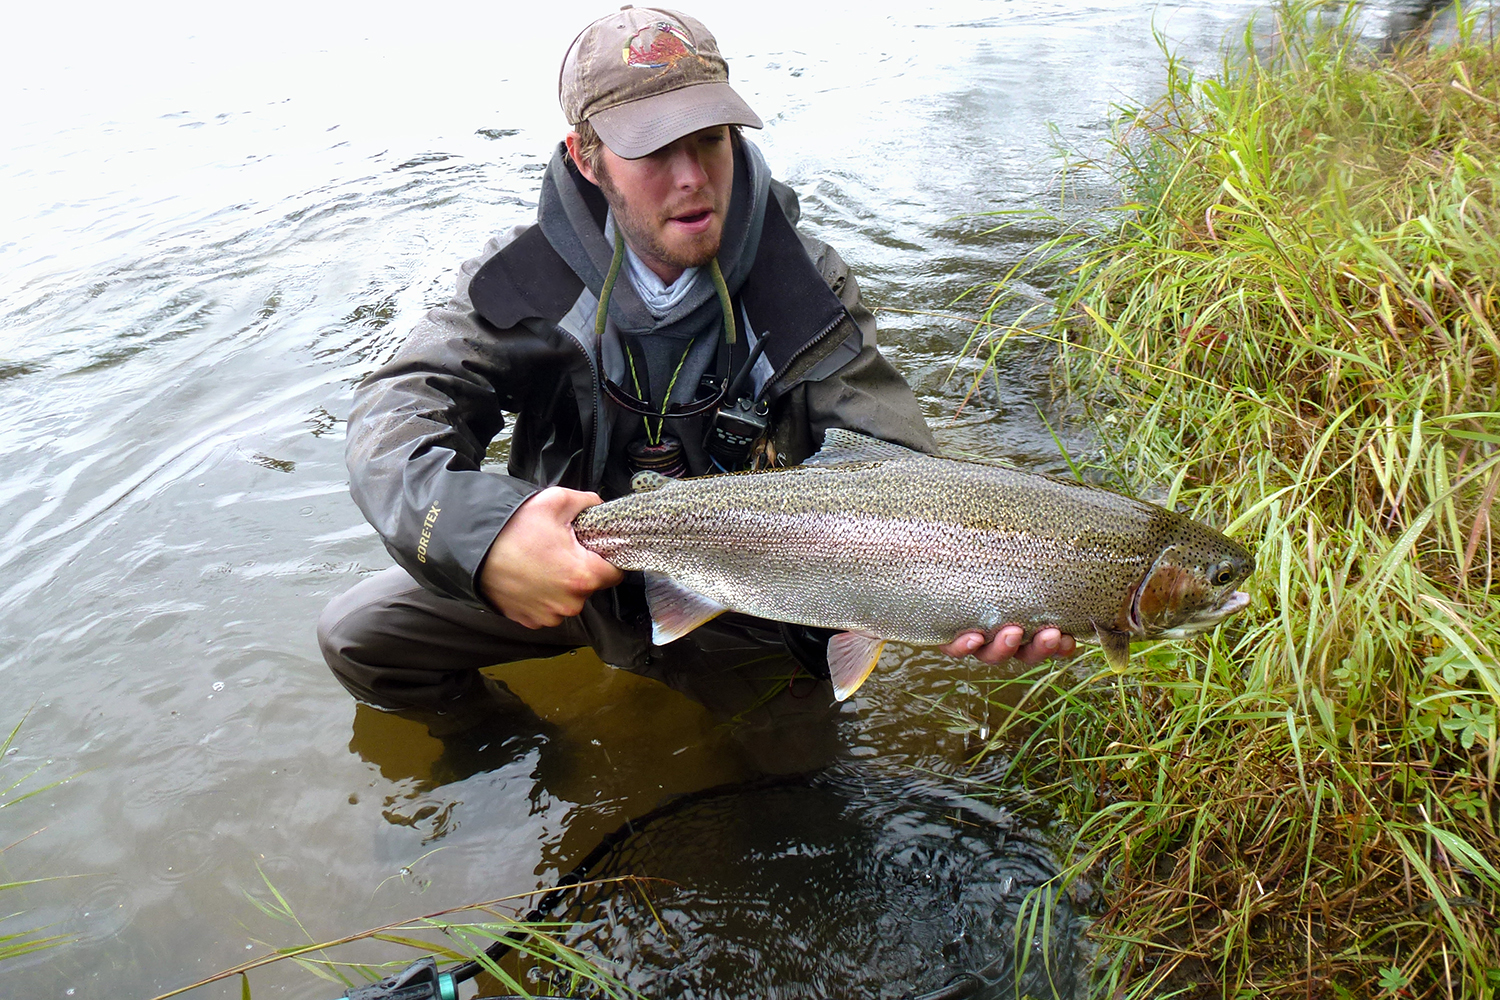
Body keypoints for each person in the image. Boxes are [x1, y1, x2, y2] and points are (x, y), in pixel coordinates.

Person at [317, 7, 1074, 740]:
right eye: (652, 150)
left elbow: (891, 463)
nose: (693, 178)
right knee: (360, 638)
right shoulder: (524, 281)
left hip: (748, 600)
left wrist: (960, 584)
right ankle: (516, 749)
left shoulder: (800, 283)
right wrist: (485, 541)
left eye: (710, 139)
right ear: (586, 157)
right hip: (561, 574)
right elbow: (396, 409)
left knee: (796, 797)